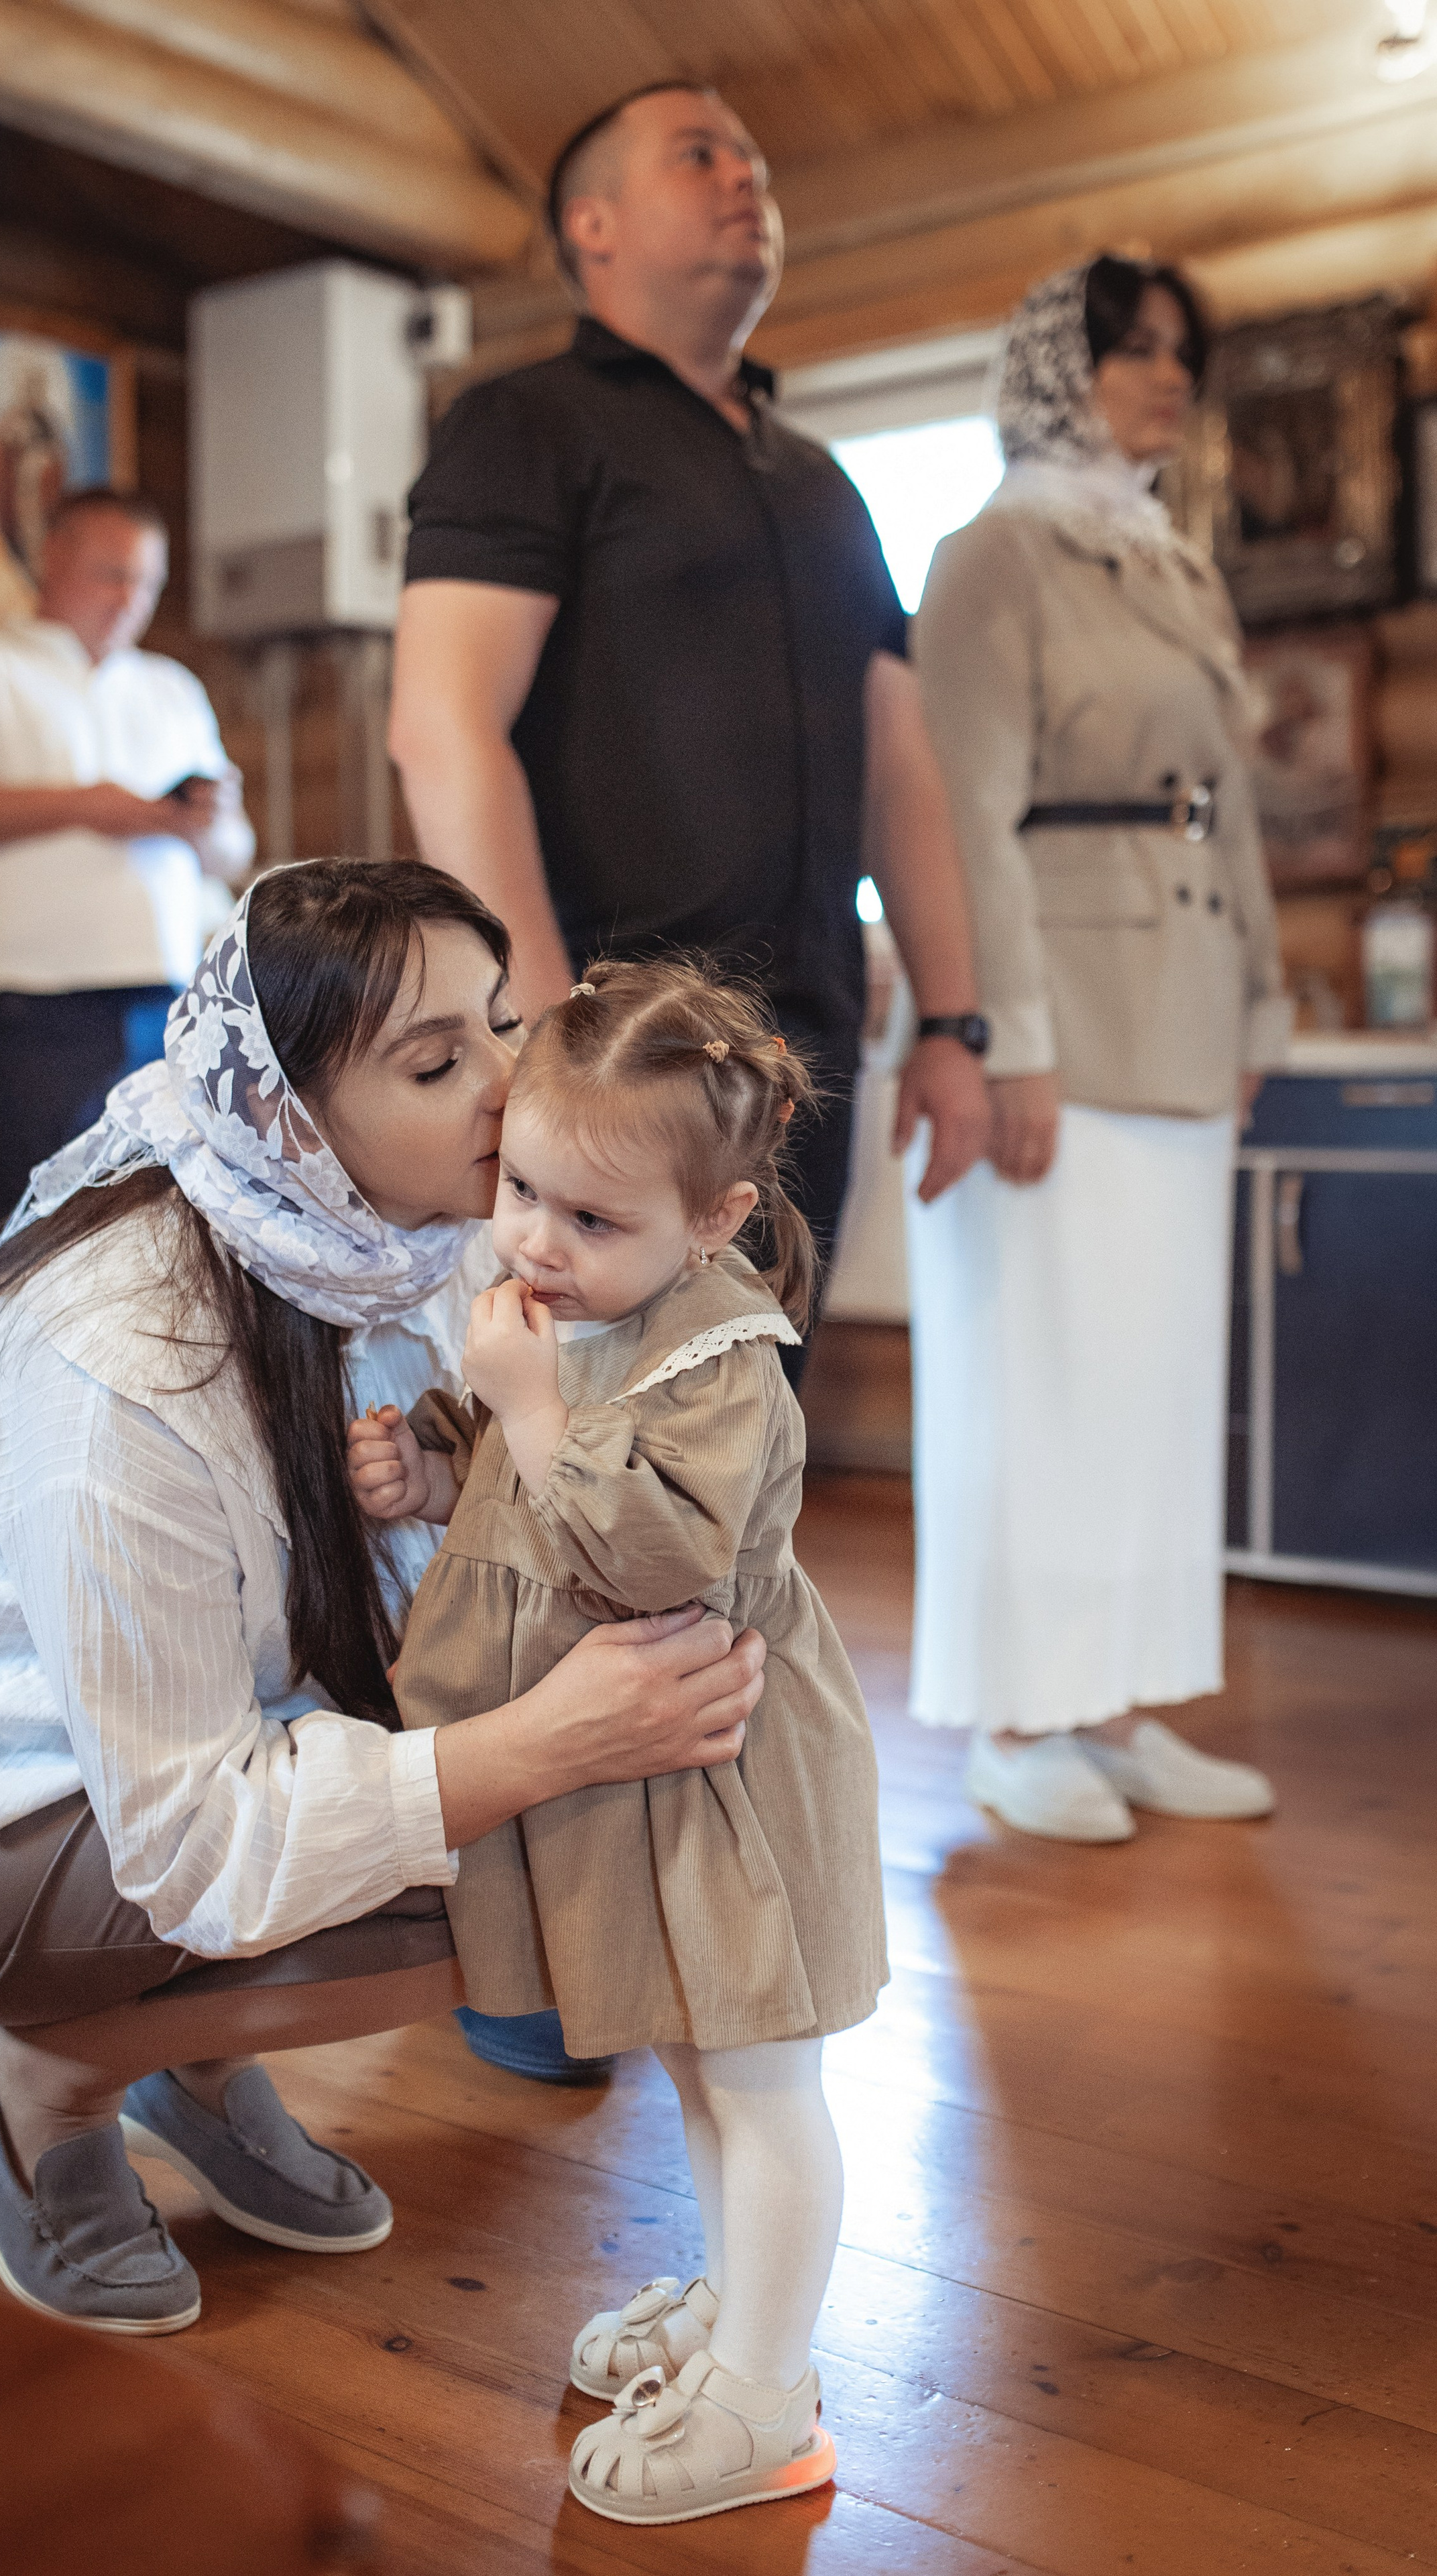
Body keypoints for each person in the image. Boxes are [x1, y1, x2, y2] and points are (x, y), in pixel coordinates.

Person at [0, 860, 767, 2335]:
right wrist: (541, 1742)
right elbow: (180, 1832)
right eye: (436, 1061)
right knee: (511, 1842)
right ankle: (34, 2089)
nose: (509, 1082)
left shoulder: (404, 1238)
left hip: (171, 1768)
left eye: (501, 1021)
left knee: (580, 1813)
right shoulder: (122, 1353)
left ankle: (197, 2067)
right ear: (291, 1116)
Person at [392, 76, 986, 2083]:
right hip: (610, 1103)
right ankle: (522, 1969)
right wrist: (534, 1052)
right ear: (589, 232)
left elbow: (901, 764)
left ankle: (689, 1934)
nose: (747, 172)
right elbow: (440, 726)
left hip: (786, 1089)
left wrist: (961, 1017)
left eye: (755, 147)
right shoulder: (528, 425)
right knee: (566, 1518)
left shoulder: (820, 480)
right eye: (695, 150)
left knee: (717, 1526)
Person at [348, 959, 884, 2526]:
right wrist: (438, 1471)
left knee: (759, 2074)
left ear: (713, 1219)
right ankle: (735, 2308)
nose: (531, 1240)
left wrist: (519, 1412)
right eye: (519, 1187)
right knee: (692, 2057)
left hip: (725, 1774)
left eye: (589, 1219)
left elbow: (654, 1565)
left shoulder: (717, 1357)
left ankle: (769, 2400)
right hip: (629, 1777)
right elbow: (525, 1495)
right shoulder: (567, 1310)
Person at [906, 257, 1289, 1841]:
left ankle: (1119, 1700)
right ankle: (1020, 1715)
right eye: (1131, 348)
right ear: (1059, 366)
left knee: (1143, 1380)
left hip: (1184, 1006)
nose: (1165, 374)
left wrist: (1259, 995)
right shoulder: (991, 552)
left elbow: (1230, 803)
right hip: (1061, 1001)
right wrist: (1008, 1038)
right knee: (1039, 1369)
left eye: (1177, 352)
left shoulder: (1172, 566)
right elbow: (964, 814)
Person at [0, 486, 255, 1253]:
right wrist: (87, 807)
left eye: (147, 582)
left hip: (164, 1004)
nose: (129, 599)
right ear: (52, 557)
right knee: (19, 1244)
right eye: (110, 573)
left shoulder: (172, 689)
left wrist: (199, 824)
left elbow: (233, 854)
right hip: (26, 1010)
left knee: (152, 1238)